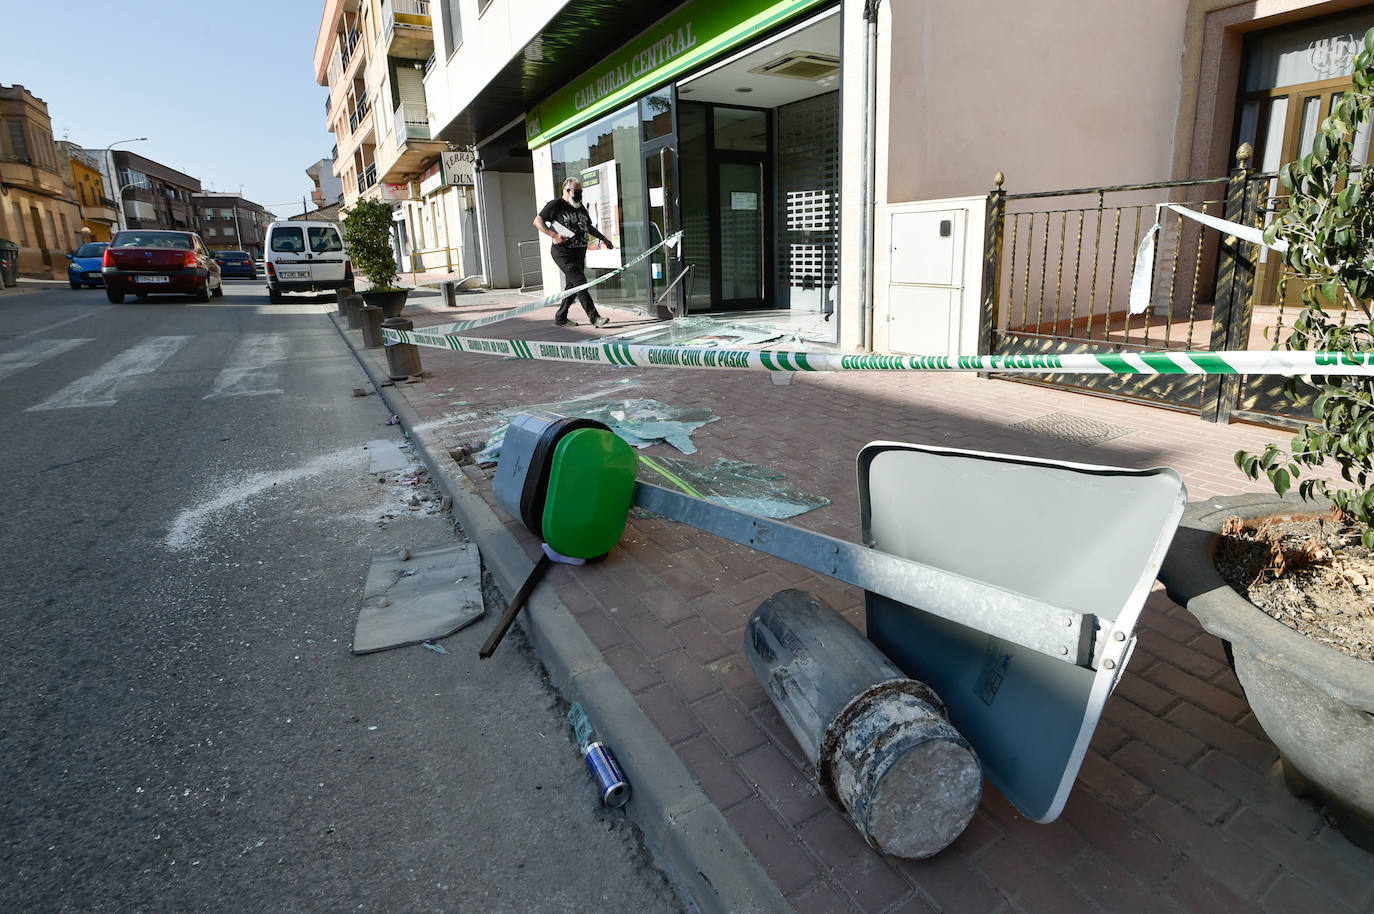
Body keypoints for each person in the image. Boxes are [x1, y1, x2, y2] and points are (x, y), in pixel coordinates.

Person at [534, 177, 614, 327]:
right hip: (563, 253)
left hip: (579, 253)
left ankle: (560, 317)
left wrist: (604, 239)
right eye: (577, 192)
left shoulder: (580, 207)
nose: (579, 195)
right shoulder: (556, 204)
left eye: (581, 192)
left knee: (573, 286)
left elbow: (589, 227)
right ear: (567, 190)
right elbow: (537, 221)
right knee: (580, 283)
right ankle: (594, 317)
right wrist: (554, 235)